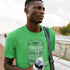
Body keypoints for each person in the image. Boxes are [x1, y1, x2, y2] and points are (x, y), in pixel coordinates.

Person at [4, 0, 55, 70]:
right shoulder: (13, 36)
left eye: (43, 9)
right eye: (37, 8)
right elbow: (6, 64)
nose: (42, 12)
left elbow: (50, 60)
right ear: (26, 10)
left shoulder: (49, 33)